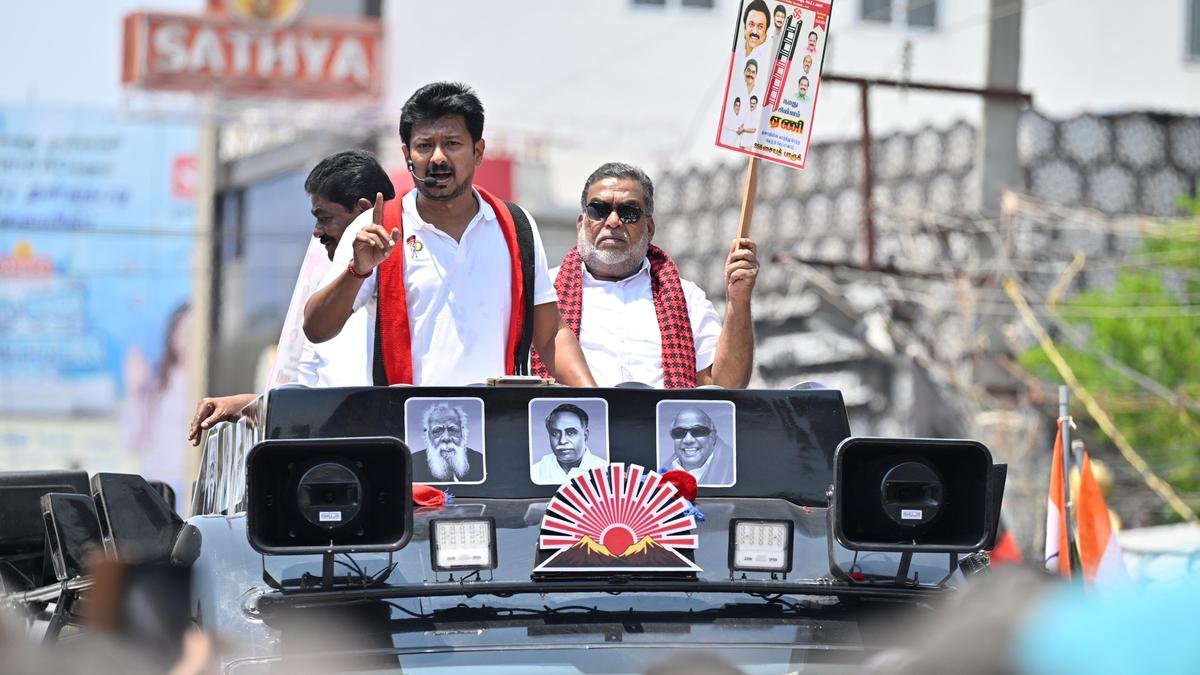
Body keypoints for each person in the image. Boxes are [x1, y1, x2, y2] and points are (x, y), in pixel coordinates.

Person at [303, 82, 596, 388]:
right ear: (407, 155)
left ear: (478, 151)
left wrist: (600, 401)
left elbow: (549, 335)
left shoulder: (516, 226)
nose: (438, 158)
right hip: (405, 416)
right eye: (424, 146)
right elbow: (316, 329)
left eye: (452, 144)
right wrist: (357, 272)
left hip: (497, 416)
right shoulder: (375, 229)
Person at [187, 151, 396, 444]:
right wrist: (243, 406)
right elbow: (312, 397)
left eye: (325, 218)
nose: (317, 232)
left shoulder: (397, 279)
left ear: (362, 212)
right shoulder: (328, 289)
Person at [531, 163, 759, 389]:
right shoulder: (543, 292)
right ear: (582, 223)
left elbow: (724, 386)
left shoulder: (686, 298)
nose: (613, 221)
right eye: (599, 210)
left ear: (649, 229)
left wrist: (738, 301)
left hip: (661, 414)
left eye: (628, 212)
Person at [531, 403, 607, 484]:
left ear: (585, 436)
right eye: (555, 433)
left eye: (570, 433)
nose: (562, 441)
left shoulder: (605, 470)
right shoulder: (536, 471)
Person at [411, 402, 483, 483]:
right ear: (427, 435)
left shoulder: (480, 461)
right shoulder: (413, 462)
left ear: (462, 432)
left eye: (453, 429)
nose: (446, 437)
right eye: (438, 430)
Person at [666, 407, 734, 486]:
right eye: (679, 432)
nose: (688, 440)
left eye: (698, 431)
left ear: (712, 437)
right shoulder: (662, 471)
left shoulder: (734, 468)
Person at [740, 0, 771, 65]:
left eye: (760, 26)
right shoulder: (737, 52)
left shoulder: (767, 62)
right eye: (751, 24)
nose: (754, 31)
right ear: (744, 28)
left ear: (766, 32)